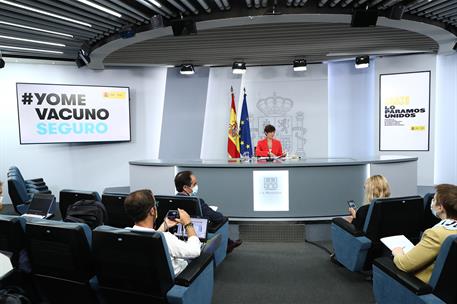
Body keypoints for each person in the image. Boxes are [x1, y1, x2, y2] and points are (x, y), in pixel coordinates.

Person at [124, 189, 201, 275]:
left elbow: (148, 236)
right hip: (178, 281)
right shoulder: (166, 238)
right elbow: (195, 251)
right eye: (155, 204)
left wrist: (164, 226)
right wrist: (188, 223)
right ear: (152, 211)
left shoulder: (125, 234)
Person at [392, 184, 457, 283]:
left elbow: (404, 265)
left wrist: (398, 253)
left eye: (434, 200)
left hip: (424, 287)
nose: (432, 202)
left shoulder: (436, 234)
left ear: (440, 208)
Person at [174, 171, 242, 253]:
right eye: (194, 184)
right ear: (185, 187)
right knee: (222, 219)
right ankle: (227, 245)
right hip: (198, 234)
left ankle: (229, 243)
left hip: (179, 235)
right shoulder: (197, 202)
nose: (196, 186)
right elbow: (218, 218)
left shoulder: (173, 201)